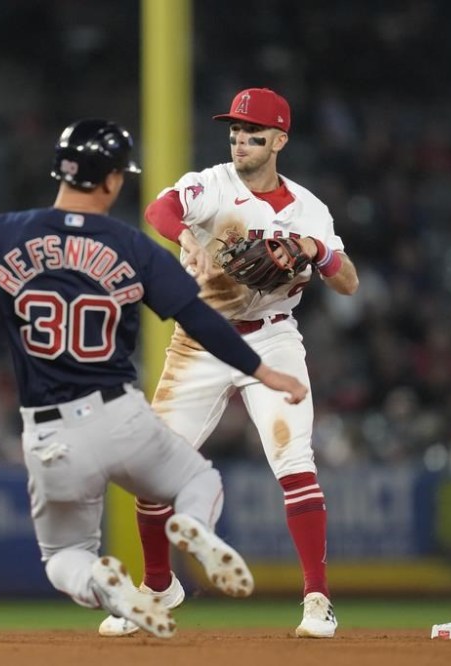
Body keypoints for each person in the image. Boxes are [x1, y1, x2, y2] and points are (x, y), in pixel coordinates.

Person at [0, 118, 309, 639]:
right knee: (199, 481)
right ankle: (195, 528)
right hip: (120, 415)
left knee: (63, 556)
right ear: (112, 180)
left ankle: (108, 586)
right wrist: (264, 370)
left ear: (61, 172)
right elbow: (199, 318)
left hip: (49, 433)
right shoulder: (134, 248)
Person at [98, 89, 359, 639]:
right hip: (203, 340)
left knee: (294, 460)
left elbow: (348, 281)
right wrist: (188, 242)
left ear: (280, 141)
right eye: (236, 131)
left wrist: (315, 250)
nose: (240, 140)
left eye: (254, 133)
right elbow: (159, 209)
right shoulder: (212, 184)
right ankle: (158, 586)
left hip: (274, 339)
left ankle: (317, 599)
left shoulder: (310, 209)